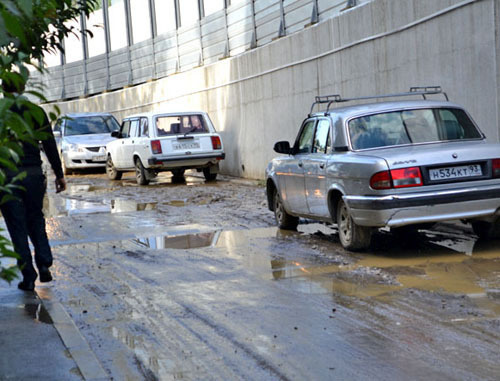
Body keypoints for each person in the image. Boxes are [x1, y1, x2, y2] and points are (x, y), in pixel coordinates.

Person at [0, 77, 66, 291]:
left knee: (17, 226)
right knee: (36, 217)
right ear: (23, 87)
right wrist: (59, 174)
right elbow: (49, 144)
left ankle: (28, 276)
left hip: (9, 178)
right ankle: (44, 261)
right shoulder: (36, 112)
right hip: (34, 175)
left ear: (3, 89)